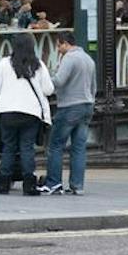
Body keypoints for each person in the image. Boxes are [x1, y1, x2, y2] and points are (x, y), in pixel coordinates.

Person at [0, 32, 54, 196]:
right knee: (27, 148)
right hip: (30, 113)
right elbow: (48, 89)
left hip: (7, 112)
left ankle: (4, 183)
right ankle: (29, 184)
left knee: (8, 147)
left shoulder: (4, 64)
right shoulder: (38, 65)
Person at [43, 32, 95, 195]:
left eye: (58, 46)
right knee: (79, 147)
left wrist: (43, 81)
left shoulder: (70, 58)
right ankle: (77, 185)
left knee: (56, 145)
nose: (58, 49)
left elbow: (59, 81)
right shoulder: (88, 59)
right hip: (87, 106)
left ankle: (54, 183)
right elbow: (93, 86)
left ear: (65, 43)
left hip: (70, 107)